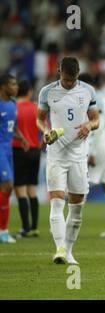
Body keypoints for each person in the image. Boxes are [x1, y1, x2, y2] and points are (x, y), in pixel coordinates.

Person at [36, 57, 100, 263]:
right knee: (56, 202)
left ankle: (69, 251)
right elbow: (40, 118)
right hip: (56, 154)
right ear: (59, 71)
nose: (70, 83)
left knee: (77, 207)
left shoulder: (88, 91)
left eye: (73, 79)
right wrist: (46, 131)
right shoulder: (47, 92)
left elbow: (96, 119)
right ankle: (60, 249)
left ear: (78, 73)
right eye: (66, 79)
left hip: (79, 156)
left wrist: (88, 126)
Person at [77, 73, 105, 238]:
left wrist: (92, 151)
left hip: (98, 143)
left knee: (82, 183)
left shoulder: (94, 97)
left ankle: (73, 222)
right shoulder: (104, 96)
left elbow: (98, 125)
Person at [0, 74, 29, 244]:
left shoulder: (12, 104)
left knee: (7, 189)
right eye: (12, 84)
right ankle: (3, 231)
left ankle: (3, 230)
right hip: (1, 150)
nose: (16, 87)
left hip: (9, 149)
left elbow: (13, 125)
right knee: (8, 186)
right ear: (3, 87)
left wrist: (22, 138)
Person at [12, 80, 42, 238]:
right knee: (32, 190)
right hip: (35, 151)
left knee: (21, 190)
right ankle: (35, 227)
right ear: (29, 92)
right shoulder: (37, 108)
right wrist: (38, 145)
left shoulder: (13, 108)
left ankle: (25, 228)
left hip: (18, 151)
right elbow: (46, 129)